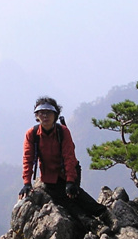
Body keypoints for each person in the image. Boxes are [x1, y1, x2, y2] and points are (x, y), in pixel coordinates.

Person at [19, 96, 109, 224]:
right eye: (41, 113)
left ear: (55, 115)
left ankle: (103, 213)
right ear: (37, 115)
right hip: (50, 176)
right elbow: (28, 158)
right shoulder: (32, 134)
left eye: (49, 112)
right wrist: (27, 183)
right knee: (64, 200)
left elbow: (69, 156)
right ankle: (91, 223)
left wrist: (70, 181)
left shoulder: (63, 132)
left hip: (68, 170)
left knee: (74, 194)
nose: (45, 116)